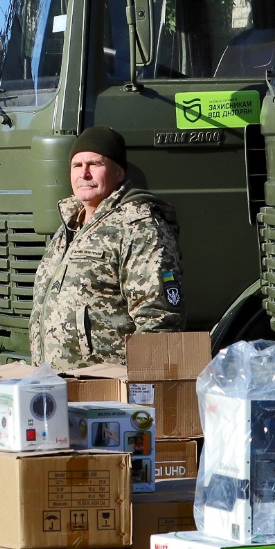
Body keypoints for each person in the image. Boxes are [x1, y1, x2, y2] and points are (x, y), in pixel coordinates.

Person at [29, 126, 184, 369]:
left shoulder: (139, 227)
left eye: (95, 164)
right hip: (57, 385)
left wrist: (139, 391)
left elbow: (158, 319)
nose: (84, 174)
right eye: (76, 166)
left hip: (108, 390)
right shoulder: (69, 227)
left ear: (119, 172)